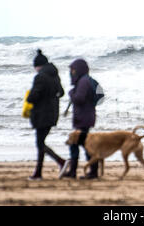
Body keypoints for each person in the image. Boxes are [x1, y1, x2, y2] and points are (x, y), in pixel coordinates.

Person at [27, 49, 67, 181]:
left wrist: (30, 97)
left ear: (38, 66)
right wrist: (51, 97)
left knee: (40, 143)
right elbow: (61, 92)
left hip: (41, 114)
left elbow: (33, 97)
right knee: (41, 143)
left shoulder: (40, 77)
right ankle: (39, 172)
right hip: (52, 114)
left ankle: (60, 161)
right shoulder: (54, 75)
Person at [60, 58, 98, 179]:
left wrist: (71, 93)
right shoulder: (85, 80)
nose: (71, 72)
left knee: (80, 145)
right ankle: (90, 171)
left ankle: (85, 172)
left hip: (83, 119)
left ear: (79, 70)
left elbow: (79, 99)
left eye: (73, 70)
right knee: (82, 145)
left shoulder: (83, 82)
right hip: (85, 117)